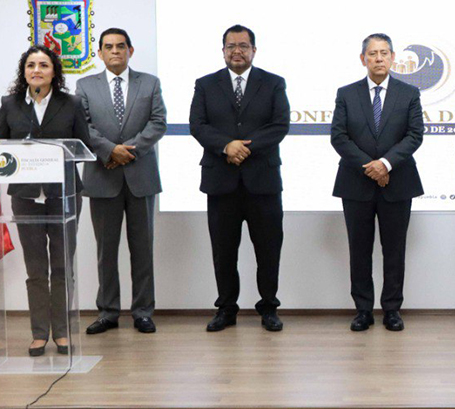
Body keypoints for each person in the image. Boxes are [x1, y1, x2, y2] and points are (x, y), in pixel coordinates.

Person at [189, 24, 290, 332]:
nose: (237, 51)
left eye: (243, 46)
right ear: (223, 51)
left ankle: (269, 307)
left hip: (263, 182)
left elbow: (280, 125)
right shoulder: (206, 84)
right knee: (223, 251)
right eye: (231, 46)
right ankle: (226, 308)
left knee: (268, 250)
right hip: (221, 182)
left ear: (253, 50)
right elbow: (198, 125)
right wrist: (226, 146)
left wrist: (244, 148)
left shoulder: (273, 83)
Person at [0, 45, 90, 355]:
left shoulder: (71, 104)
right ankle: (39, 333)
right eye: (31, 65)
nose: (36, 70)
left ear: (54, 72)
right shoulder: (9, 104)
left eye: (43, 65)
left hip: (64, 194)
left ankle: (62, 332)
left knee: (62, 266)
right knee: (36, 268)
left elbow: (84, 145)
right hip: (25, 196)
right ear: (23, 71)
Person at [330, 33, 424, 332]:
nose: (379, 58)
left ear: (393, 58)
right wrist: (369, 167)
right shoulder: (346, 94)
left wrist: (385, 164)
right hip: (355, 182)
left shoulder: (409, 93)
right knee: (359, 250)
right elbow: (339, 136)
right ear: (363, 59)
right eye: (373, 53)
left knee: (394, 250)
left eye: (384, 53)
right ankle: (363, 310)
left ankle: (392, 310)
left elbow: (414, 135)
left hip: (397, 182)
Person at [77, 28, 167, 335]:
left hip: (141, 176)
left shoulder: (149, 83)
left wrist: (128, 151)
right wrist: (110, 150)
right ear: (100, 53)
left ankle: (142, 312)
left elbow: (158, 123)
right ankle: (108, 312)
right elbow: (84, 126)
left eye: (120, 46)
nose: (114, 51)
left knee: (142, 249)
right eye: (108, 47)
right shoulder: (85, 85)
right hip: (102, 176)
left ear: (130, 50)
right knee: (106, 251)